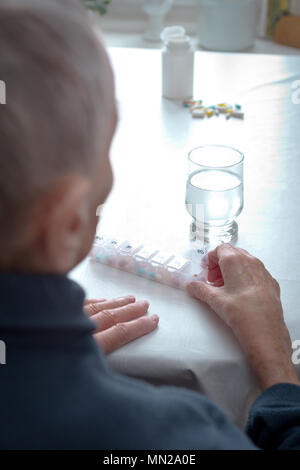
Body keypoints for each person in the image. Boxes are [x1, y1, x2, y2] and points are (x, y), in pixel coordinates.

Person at [0, 0, 299, 450]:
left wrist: (32, 361)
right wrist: (278, 364)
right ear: (68, 221)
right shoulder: (181, 437)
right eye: (106, 148)